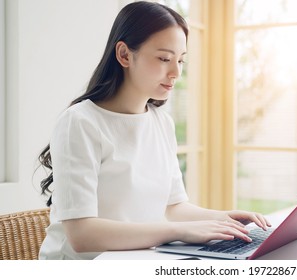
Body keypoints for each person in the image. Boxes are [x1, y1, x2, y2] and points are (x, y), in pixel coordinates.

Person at [37, 1, 270, 260]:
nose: (176, 72)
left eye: (181, 60)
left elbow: (174, 206)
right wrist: (177, 232)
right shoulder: (80, 122)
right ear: (124, 55)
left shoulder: (161, 122)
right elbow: (82, 235)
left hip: (137, 261)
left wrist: (223, 218)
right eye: (164, 59)